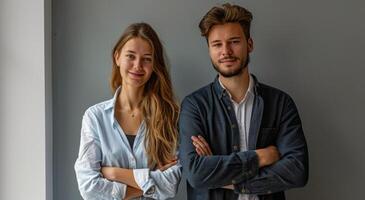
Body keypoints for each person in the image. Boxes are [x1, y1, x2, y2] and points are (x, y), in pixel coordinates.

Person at [178, 3, 308, 200]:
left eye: (234, 41)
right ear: (209, 50)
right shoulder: (194, 106)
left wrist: (224, 177)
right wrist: (261, 157)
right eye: (217, 44)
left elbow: (297, 171)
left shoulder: (280, 103)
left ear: (250, 44)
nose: (226, 51)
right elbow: (196, 173)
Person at [74, 22, 181, 200]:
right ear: (117, 57)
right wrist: (151, 182)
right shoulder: (95, 117)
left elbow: (170, 184)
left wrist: (115, 173)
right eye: (130, 56)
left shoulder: (169, 116)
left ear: (154, 65)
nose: (138, 65)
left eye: (147, 58)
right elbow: (89, 187)